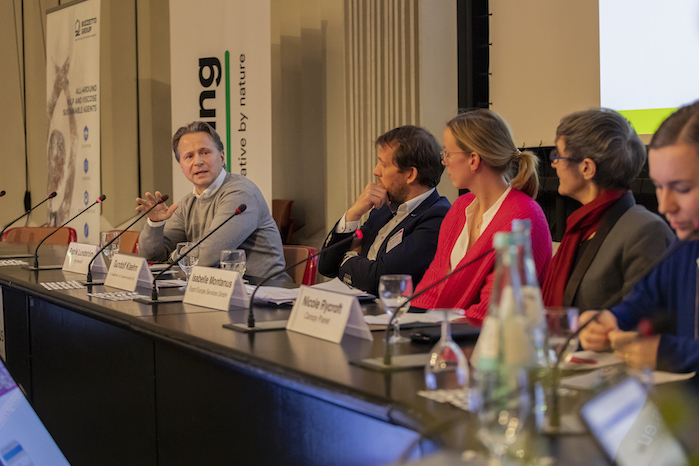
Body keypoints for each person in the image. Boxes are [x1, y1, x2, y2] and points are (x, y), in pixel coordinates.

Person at [579, 101, 699, 373]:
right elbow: (644, 301)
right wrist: (611, 320)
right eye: (659, 186)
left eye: (681, 188)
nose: (666, 205)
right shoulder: (686, 247)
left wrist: (667, 352)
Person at [411, 109, 552, 326]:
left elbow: (496, 309)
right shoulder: (460, 207)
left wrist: (429, 328)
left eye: (447, 153)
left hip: (488, 345)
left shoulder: (524, 217)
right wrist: (407, 321)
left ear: (474, 160)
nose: (444, 162)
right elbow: (433, 282)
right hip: (441, 334)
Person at [541, 109, 674, 312]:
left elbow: (650, 325)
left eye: (558, 155)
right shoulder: (581, 227)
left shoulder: (646, 231)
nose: (554, 163)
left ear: (587, 168)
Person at [136, 121, 287, 278]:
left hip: (263, 293)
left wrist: (173, 257)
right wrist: (155, 224)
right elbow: (151, 259)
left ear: (221, 157)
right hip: (214, 291)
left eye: (205, 152)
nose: (198, 162)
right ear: (181, 166)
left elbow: (207, 256)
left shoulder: (241, 193)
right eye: (189, 156)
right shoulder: (187, 203)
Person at [318, 125, 450, 295]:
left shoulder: (437, 217)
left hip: (396, 316)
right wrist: (353, 214)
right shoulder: (384, 208)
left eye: (383, 164)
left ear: (410, 174)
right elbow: (326, 266)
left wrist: (347, 258)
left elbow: (381, 280)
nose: (375, 171)